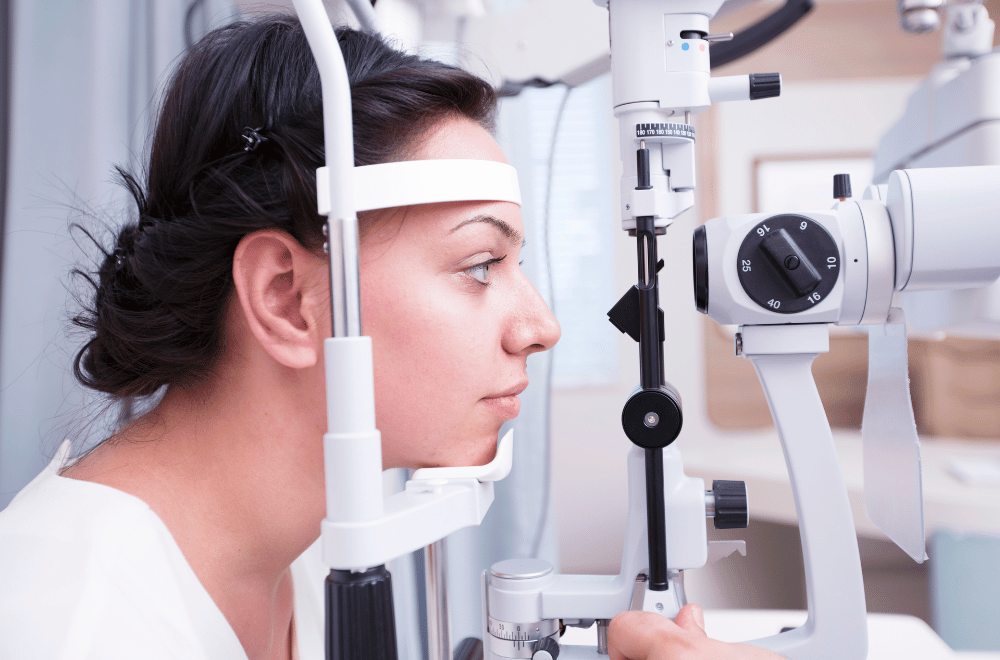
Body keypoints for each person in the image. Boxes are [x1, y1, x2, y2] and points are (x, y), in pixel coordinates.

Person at [0, 15, 781, 660]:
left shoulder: (308, 541)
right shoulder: (72, 618)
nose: (541, 327)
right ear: (287, 299)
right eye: (479, 265)